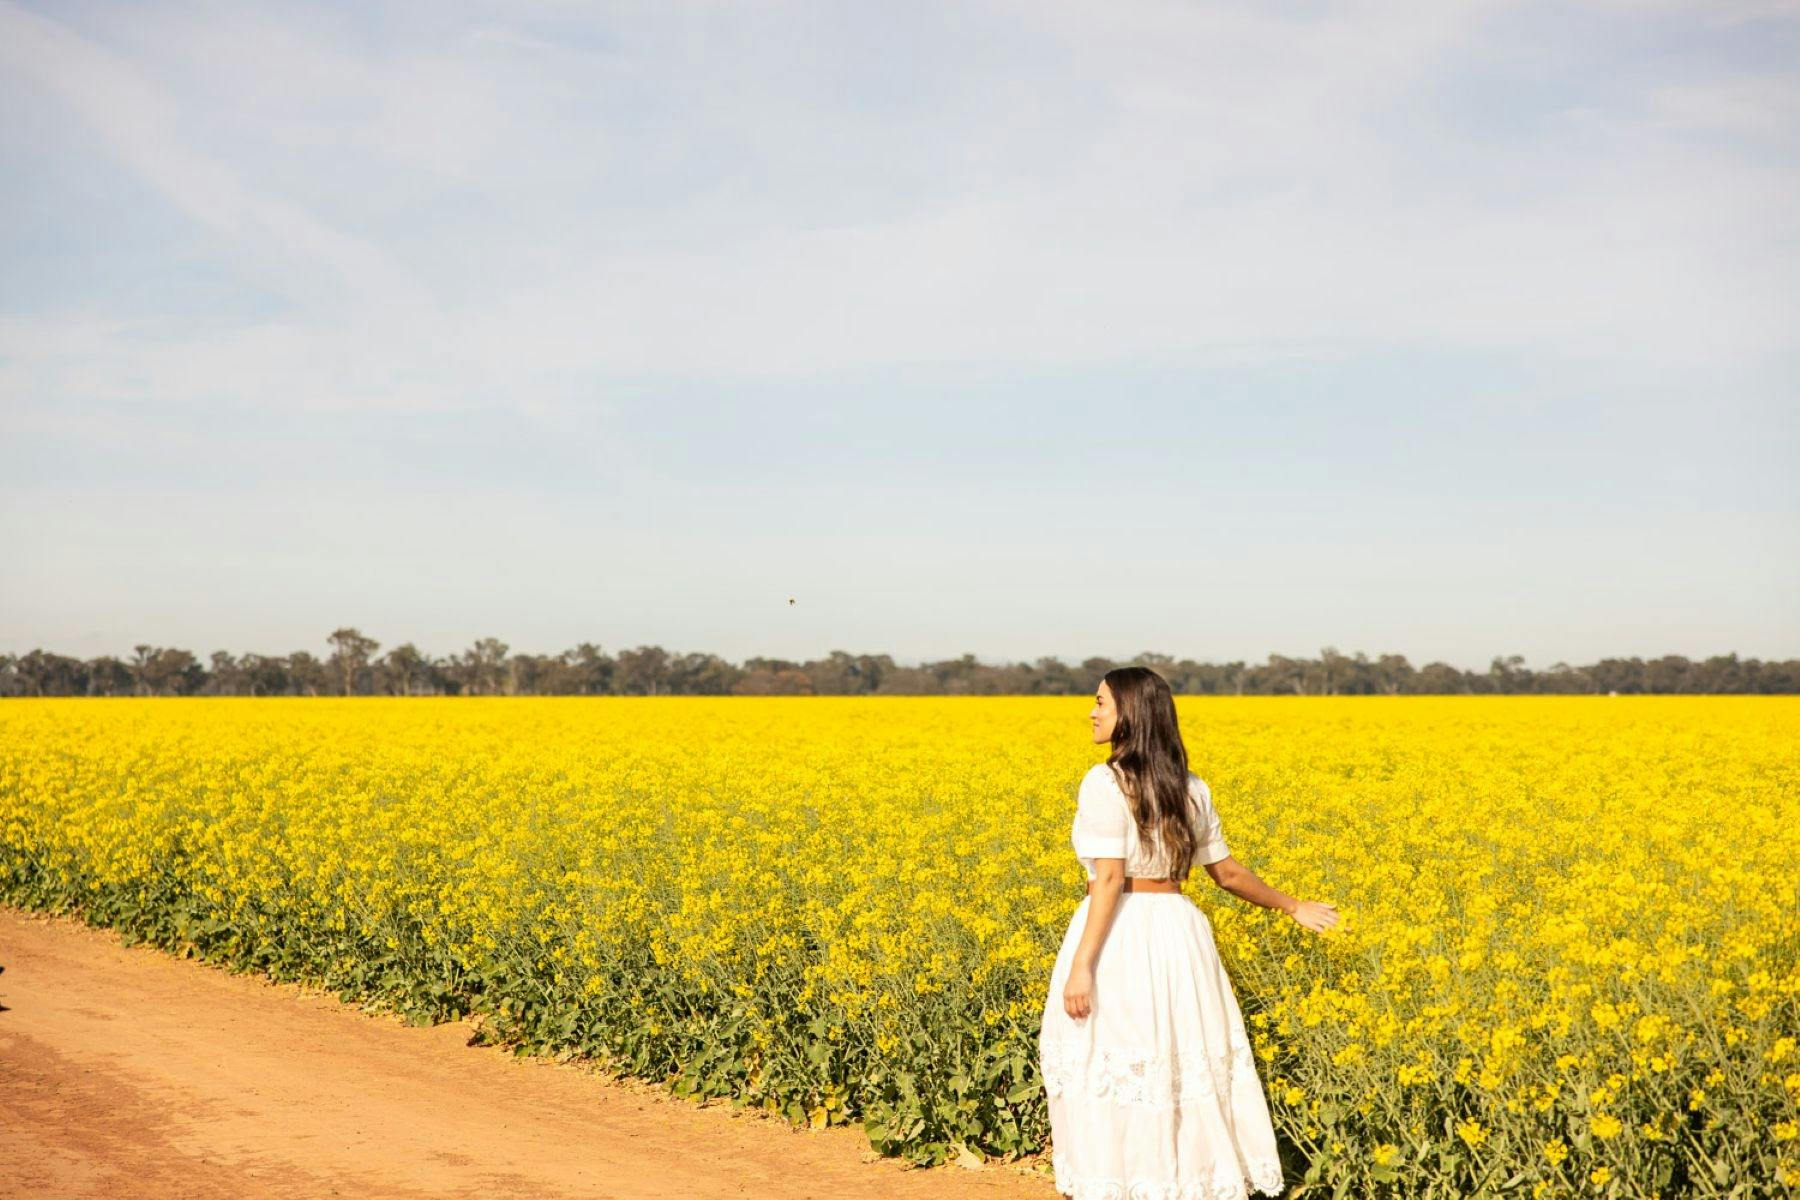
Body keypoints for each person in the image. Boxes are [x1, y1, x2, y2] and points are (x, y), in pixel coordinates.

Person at [1038, 666, 1340, 1200]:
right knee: (1175, 1059)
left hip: (1121, 933)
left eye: (1101, 703)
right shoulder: (1191, 788)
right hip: (1179, 932)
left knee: (1114, 1056)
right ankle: (1183, 1182)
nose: (1092, 711)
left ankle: (1123, 1183)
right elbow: (1226, 874)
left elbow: (1108, 878)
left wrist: (1083, 964)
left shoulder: (1104, 781)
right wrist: (1293, 906)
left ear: (1130, 714)